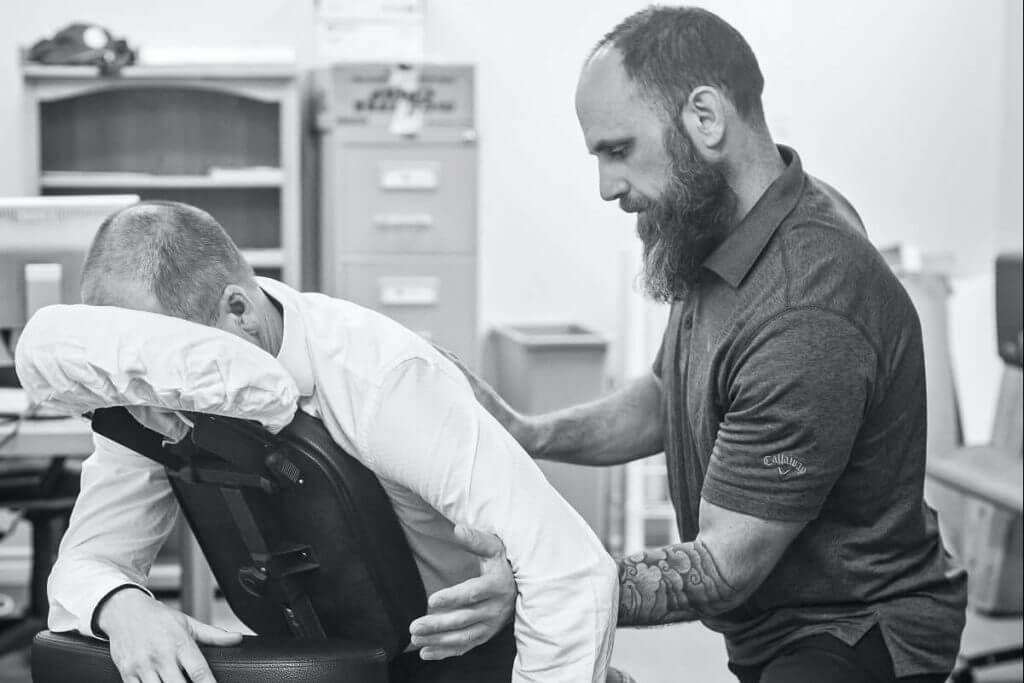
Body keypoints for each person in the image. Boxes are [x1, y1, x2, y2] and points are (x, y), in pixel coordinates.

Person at [420, 5, 968, 683]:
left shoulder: (807, 304)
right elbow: (670, 395)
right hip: (778, 614)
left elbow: (723, 564)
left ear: (705, 119)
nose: (605, 187)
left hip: (854, 626)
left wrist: (545, 582)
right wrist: (529, 432)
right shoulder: (721, 228)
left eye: (618, 150)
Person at [47, 199, 619, 683]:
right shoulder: (147, 397)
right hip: (326, 662)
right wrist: (118, 605)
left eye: (163, 375)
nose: (151, 415)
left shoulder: (379, 377)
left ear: (238, 312)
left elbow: (569, 573)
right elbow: (88, 559)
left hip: (472, 661)